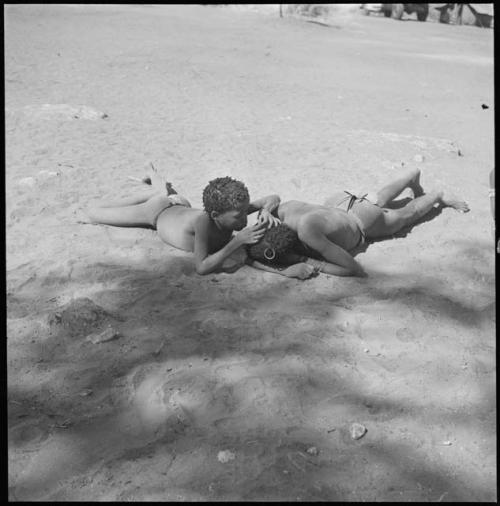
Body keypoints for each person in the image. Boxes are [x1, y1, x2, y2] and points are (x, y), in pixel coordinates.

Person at [246, 168, 470, 277]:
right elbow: (271, 198)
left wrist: (304, 260)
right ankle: (410, 176)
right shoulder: (280, 212)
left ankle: (437, 195)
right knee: (378, 198)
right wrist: (265, 208)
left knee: (403, 217)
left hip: (362, 221)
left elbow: (352, 268)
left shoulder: (307, 233)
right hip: (338, 202)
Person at [81, 163, 281, 275]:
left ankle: (155, 179)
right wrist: (237, 240)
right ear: (215, 216)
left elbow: (273, 198)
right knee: (92, 213)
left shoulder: (232, 214)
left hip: (179, 204)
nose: (244, 218)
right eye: (240, 215)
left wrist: (266, 211)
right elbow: (201, 267)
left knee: (163, 193)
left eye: (247, 209)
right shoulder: (204, 222)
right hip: (156, 212)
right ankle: (153, 184)